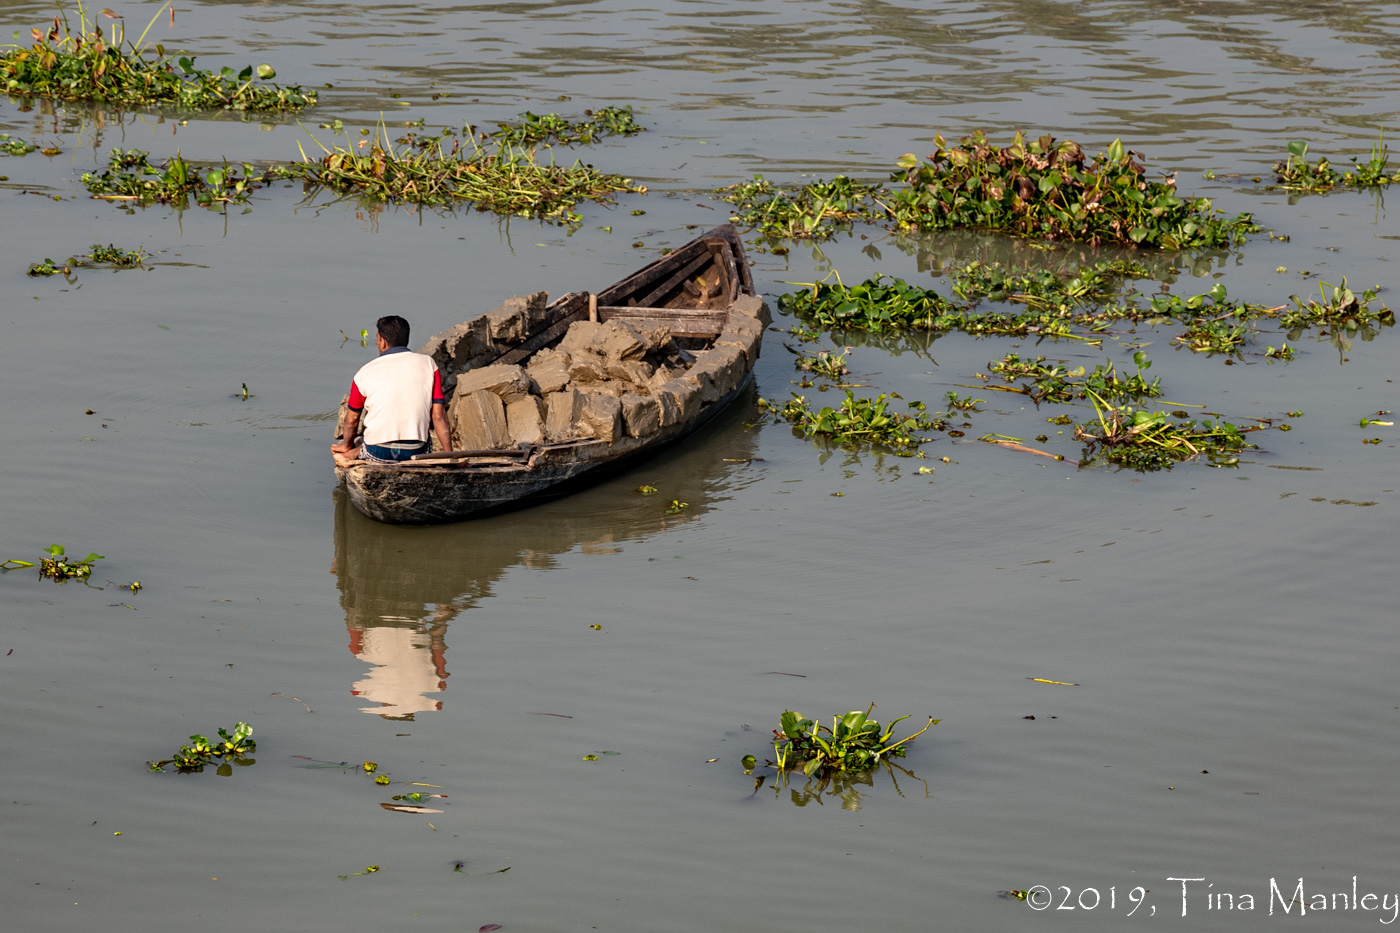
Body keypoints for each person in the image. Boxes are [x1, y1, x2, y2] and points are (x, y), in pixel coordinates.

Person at [332, 315, 452, 467]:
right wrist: (450, 457)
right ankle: (359, 450)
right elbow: (439, 416)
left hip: (378, 452)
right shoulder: (428, 364)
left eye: (377, 339)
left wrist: (346, 445)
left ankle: (357, 451)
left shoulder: (364, 372)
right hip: (417, 451)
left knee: (364, 444)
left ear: (382, 341)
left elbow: (351, 421)